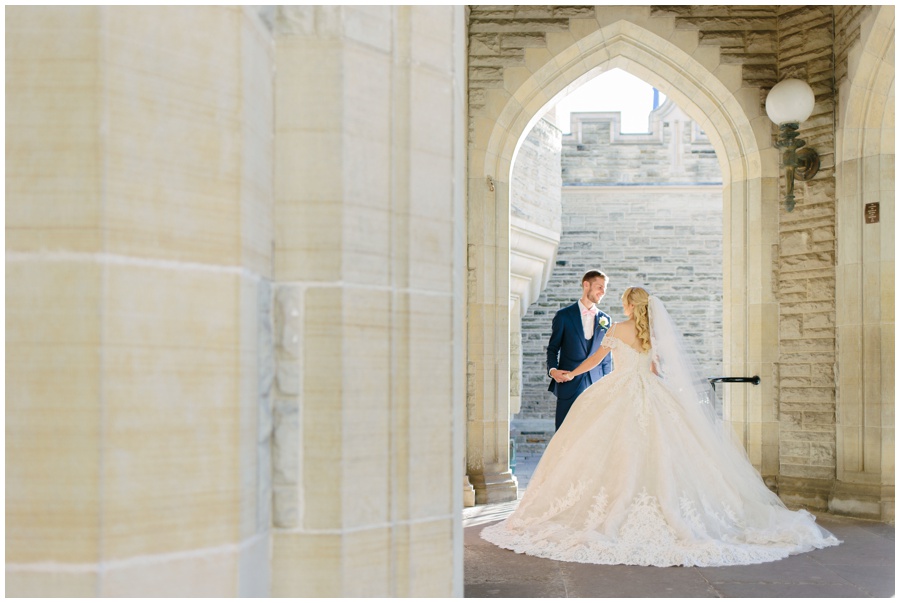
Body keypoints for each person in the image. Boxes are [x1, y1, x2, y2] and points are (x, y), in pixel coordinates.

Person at [482, 287, 839, 567]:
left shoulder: (617, 328)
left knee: (611, 449)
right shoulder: (651, 334)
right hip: (651, 393)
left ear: (627, 304)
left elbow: (596, 359)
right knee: (664, 450)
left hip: (618, 393)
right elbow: (656, 370)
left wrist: (571, 372)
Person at [546, 270, 613, 430]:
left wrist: (609, 387)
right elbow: (553, 348)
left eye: (605, 288)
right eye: (599, 287)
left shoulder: (606, 320)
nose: (603, 292)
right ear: (586, 285)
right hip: (569, 385)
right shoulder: (564, 316)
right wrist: (553, 370)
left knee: (593, 435)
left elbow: (606, 358)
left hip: (596, 386)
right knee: (564, 434)